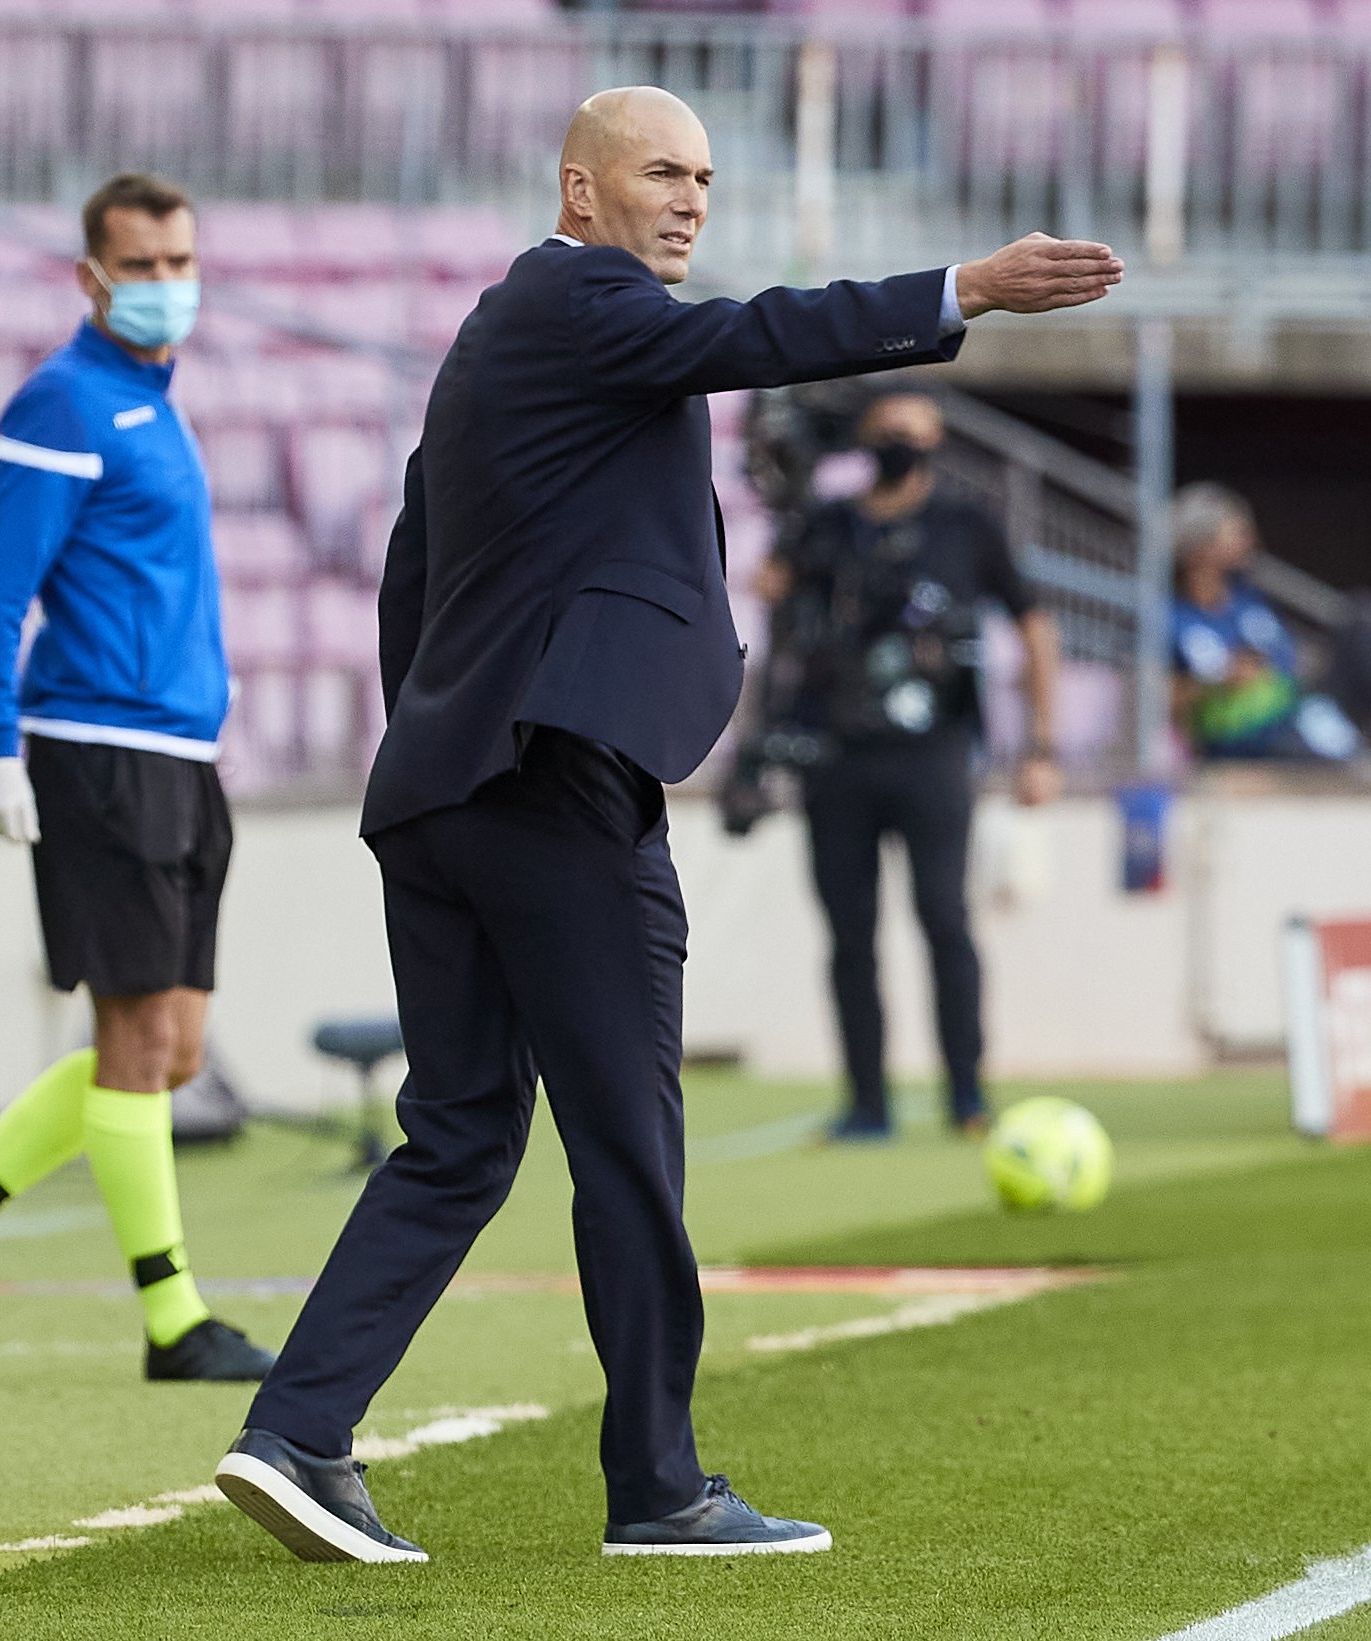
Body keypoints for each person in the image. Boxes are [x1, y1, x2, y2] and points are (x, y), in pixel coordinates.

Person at [212, 87, 1119, 1564]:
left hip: (448, 789)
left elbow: (409, 564)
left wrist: (441, 740)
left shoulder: (505, 339)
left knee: (454, 1140)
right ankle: (659, 1486)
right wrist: (963, 290)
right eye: (659, 173)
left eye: (705, 174)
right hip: (556, 789)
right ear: (581, 191)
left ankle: (298, 1432)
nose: (691, 198)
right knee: (627, 1144)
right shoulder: (585, 302)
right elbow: (756, 338)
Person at [0, 173, 275, 1386]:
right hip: (99, 754)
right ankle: (173, 1320)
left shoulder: (158, 403)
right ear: (90, 277)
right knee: (138, 1040)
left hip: (181, 758)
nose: (164, 287)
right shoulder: (64, 400)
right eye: (140, 268)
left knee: (173, 1049)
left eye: (178, 263)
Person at [759, 388, 1060, 1142]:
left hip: (933, 755)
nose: (902, 444)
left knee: (943, 917)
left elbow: (1034, 626)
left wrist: (1040, 746)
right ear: (865, 439)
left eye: (917, 433)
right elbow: (772, 604)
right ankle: (867, 1102)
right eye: (890, 431)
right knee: (848, 934)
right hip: (836, 757)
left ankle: (966, 1093)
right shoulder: (825, 526)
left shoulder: (966, 526)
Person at [1169, 482, 1360, 763]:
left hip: (1293, 706)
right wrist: (1220, 678)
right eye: (1236, 532)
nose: (1251, 541)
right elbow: (1156, 699)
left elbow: (1294, 661)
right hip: (1238, 733)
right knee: (1313, 741)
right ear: (1200, 546)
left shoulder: (1251, 601)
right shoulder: (1169, 615)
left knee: (1365, 616)